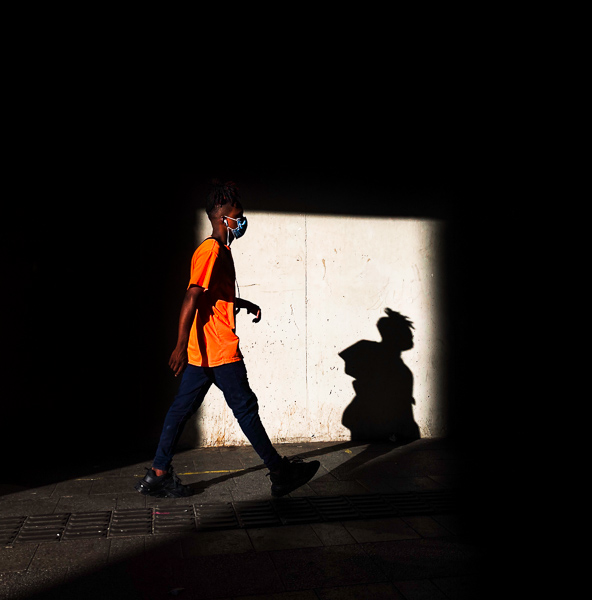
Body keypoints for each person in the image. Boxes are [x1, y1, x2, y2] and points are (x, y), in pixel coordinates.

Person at [135, 180, 319, 498]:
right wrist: (179, 345)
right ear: (223, 217)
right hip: (218, 350)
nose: (242, 221)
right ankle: (280, 473)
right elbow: (192, 297)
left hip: (202, 352)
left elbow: (212, 298)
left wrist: (241, 304)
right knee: (245, 408)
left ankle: (158, 474)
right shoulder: (210, 251)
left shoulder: (222, 251)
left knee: (180, 410)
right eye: (239, 214)